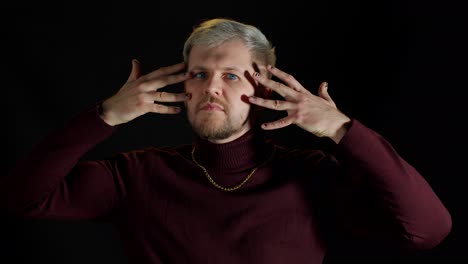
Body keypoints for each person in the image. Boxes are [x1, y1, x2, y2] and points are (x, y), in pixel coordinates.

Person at [0, 18, 452, 264]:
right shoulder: (136, 174)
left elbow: (427, 230)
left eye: (231, 75)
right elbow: (22, 199)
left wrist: (342, 130)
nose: (212, 87)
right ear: (186, 86)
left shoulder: (310, 175)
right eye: (200, 74)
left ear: (261, 90)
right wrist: (104, 117)